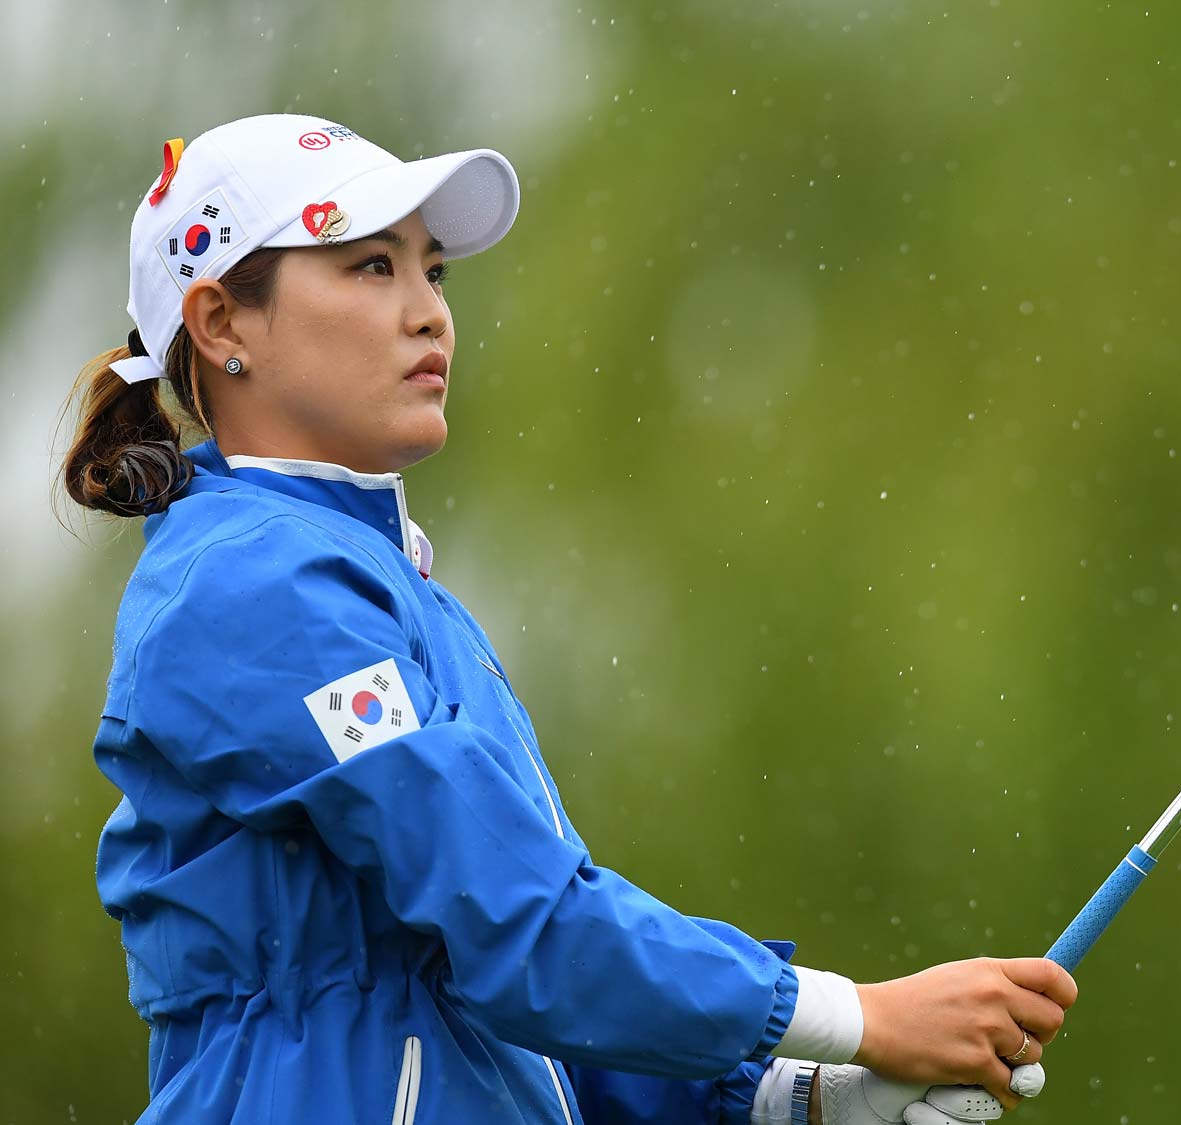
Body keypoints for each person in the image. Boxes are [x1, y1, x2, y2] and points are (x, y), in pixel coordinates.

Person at [61, 113, 1075, 1125]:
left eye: (434, 272)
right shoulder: (250, 587)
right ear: (219, 324)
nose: (428, 314)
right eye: (371, 266)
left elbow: (501, 996)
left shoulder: (390, 591)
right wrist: (854, 1017)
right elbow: (523, 930)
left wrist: (794, 1097)